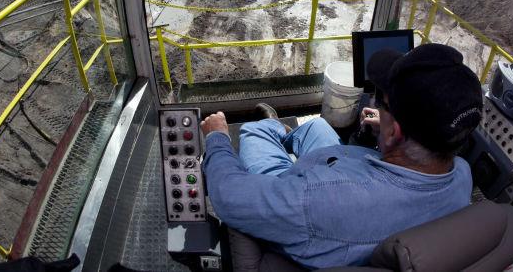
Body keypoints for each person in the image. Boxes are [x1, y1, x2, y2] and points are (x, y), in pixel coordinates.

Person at [200, 43, 483, 269]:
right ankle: (284, 132)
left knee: (254, 133)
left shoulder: (316, 198)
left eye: (381, 101)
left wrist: (217, 136)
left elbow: (228, 195)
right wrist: (384, 134)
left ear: (395, 132)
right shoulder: (460, 175)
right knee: (316, 127)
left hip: (308, 198)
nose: (376, 103)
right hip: (354, 180)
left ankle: (270, 127)